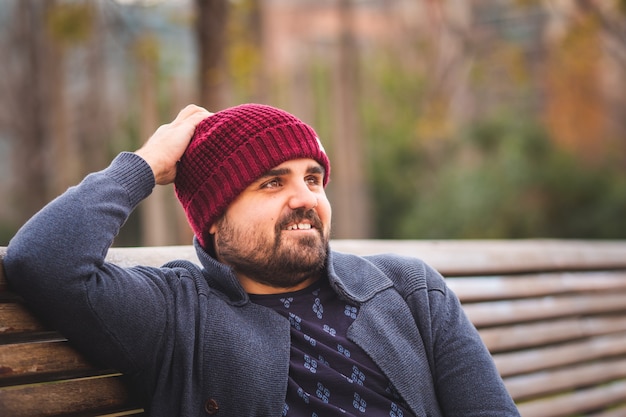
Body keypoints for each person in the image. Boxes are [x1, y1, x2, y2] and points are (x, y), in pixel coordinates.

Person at [4, 103, 520, 417]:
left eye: (312, 179)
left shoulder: (407, 289)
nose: (305, 198)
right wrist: (146, 164)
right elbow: (43, 260)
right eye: (272, 182)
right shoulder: (174, 314)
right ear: (212, 219)